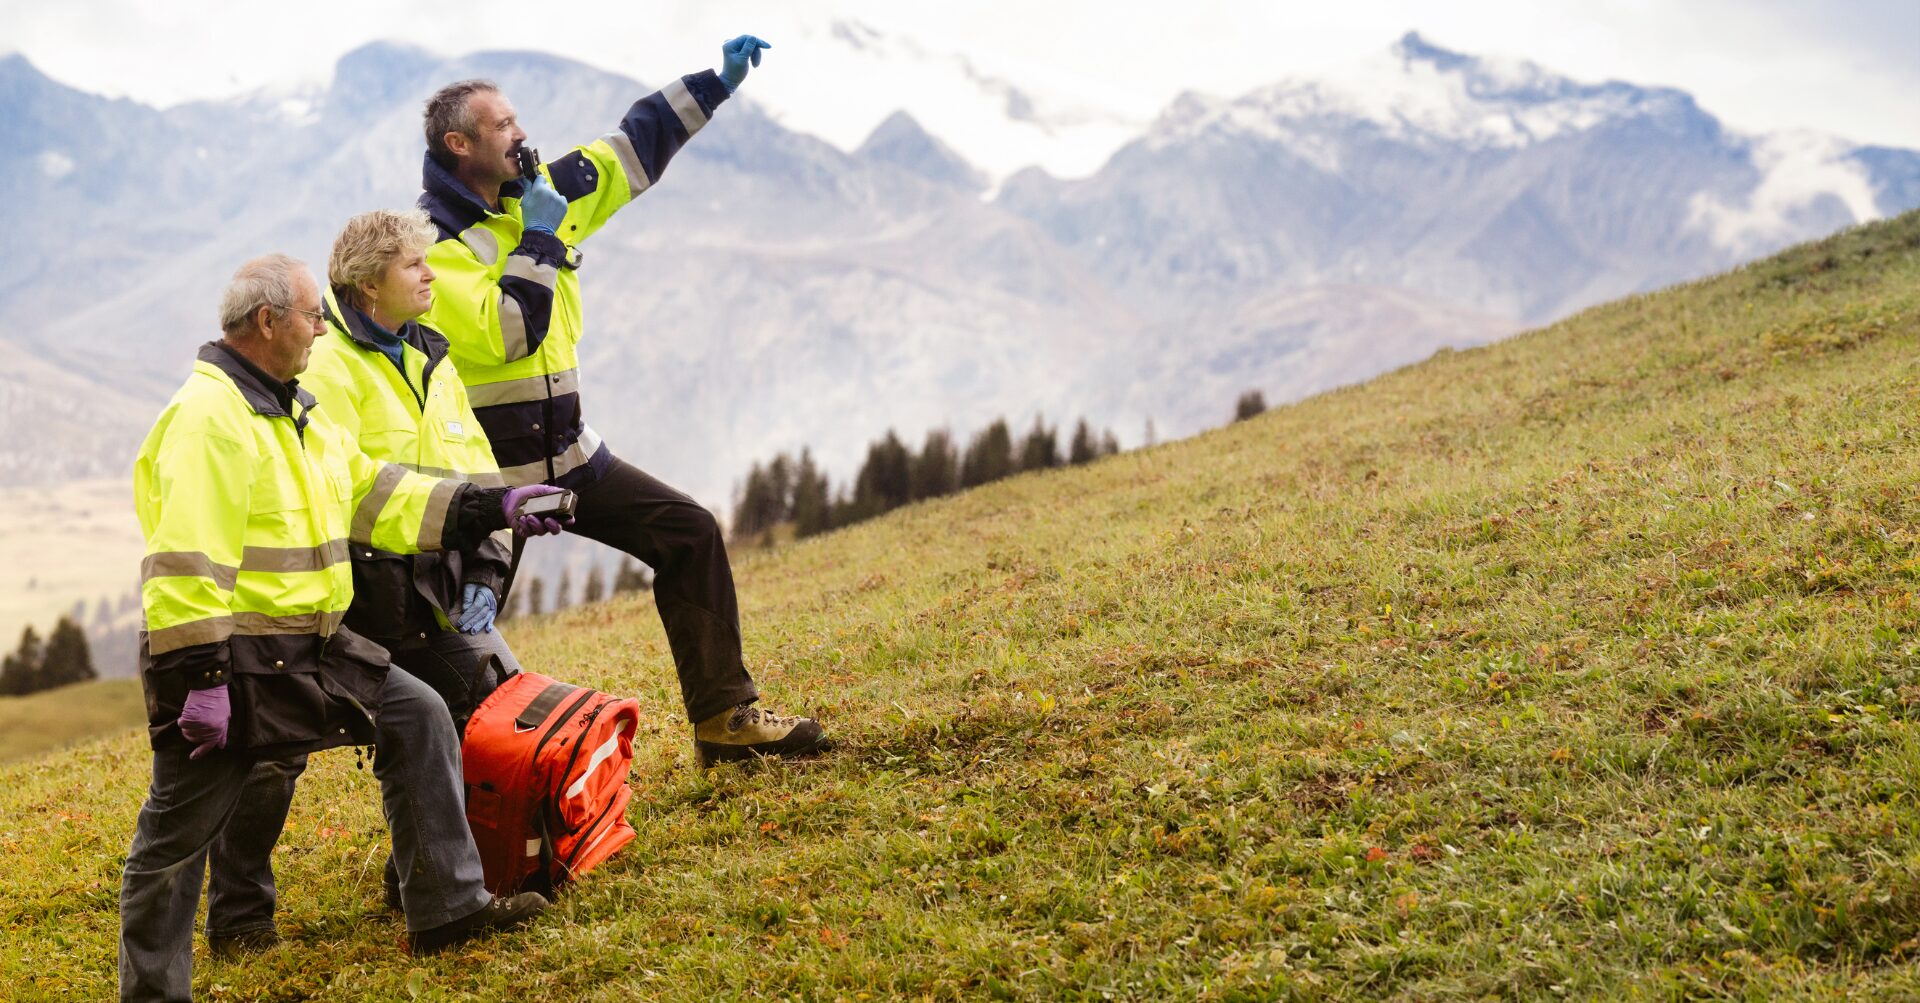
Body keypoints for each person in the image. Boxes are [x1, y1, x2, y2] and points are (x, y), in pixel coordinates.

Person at [121, 254, 569, 1002]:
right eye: (311, 315)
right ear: (268, 322)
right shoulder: (209, 420)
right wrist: (202, 681)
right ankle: (154, 992)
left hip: (312, 649)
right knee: (174, 835)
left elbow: (379, 491)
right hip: (228, 666)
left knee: (419, 713)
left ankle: (448, 908)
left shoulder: (298, 412)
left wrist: (491, 508)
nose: (323, 327)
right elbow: (184, 566)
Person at [416, 35, 826, 766]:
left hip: (572, 455)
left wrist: (718, 80)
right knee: (459, 652)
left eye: (518, 121)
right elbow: (510, 332)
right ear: (459, 144)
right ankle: (442, 844)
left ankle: (726, 723)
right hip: (494, 488)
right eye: (504, 125)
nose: (522, 134)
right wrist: (539, 234)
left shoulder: (542, 188)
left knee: (689, 534)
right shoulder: (433, 247)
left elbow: (634, 145)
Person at [201, 211, 534, 957]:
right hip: (348, 607)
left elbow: (476, 475)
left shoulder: (433, 361)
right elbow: (341, 499)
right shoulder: (326, 371)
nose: (430, 274)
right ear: (367, 286)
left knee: (487, 693)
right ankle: (239, 917)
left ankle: (430, 884)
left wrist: (485, 565)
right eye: (413, 264)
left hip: (434, 597)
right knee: (272, 750)